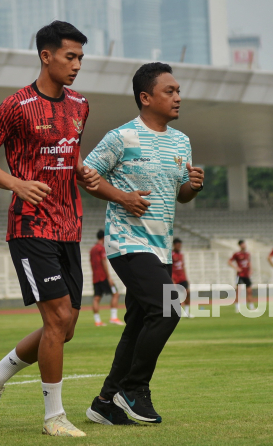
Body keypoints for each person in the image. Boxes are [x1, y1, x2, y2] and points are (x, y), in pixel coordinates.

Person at [0, 21, 99, 437]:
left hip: (69, 227)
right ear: (46, 56)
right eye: (69, 56)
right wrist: (16, 183)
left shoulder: (80, 105)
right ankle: (53, 418)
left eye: (80, 57)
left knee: (66, 326)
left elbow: (67, 156)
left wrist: (83, 173)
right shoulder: (17, 105)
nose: (77, 65)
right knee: (57, 318)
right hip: (30, 227)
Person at [82, 62, 204, 426]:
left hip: (161, 247)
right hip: (127, 242)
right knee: (170, 306)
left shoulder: (182, 142)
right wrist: (123, 198)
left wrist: (191, 187)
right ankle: (134, 389)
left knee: (138, 323)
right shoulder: (121, 137)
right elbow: (87, 175)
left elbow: (180, 197)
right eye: (170, 91)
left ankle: (105, 402)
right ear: (145, 97)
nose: (178, 97)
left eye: (179, 91)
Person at [91, 229, 124, 326]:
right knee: (116, 293)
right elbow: (103, 262)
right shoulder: (101, 248)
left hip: (95, 277)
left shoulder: (92, 249)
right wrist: (109, 277)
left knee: (96, 298)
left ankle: (97, 321)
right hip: (103, 276)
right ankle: (113, 317)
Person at [228, 240, 253, 312]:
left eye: (244, 244)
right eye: (243, 244)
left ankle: (251, 306)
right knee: (238, 291)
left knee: (249, 291)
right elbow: (229, 261)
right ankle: (237, 307)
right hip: (240, 275)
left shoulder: (248, 254)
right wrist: (236, 268)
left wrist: (251, 269)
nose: (244, 245)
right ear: (240, 245)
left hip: (246, 275)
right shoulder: (237, 254)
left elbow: (249, 262)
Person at [170, 238, 191, 317]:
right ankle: (176, 312)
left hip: (182, 278)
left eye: (180, 245)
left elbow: (183, 266)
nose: (179, 247)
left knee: (187, 293)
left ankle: (186, 312)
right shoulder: (171, 254)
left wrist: (186, 278)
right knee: (176, 296)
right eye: (177, 245)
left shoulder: (181, 255)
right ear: (174, 245)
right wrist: (172, 279)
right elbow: (170, 267)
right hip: (175, 278)